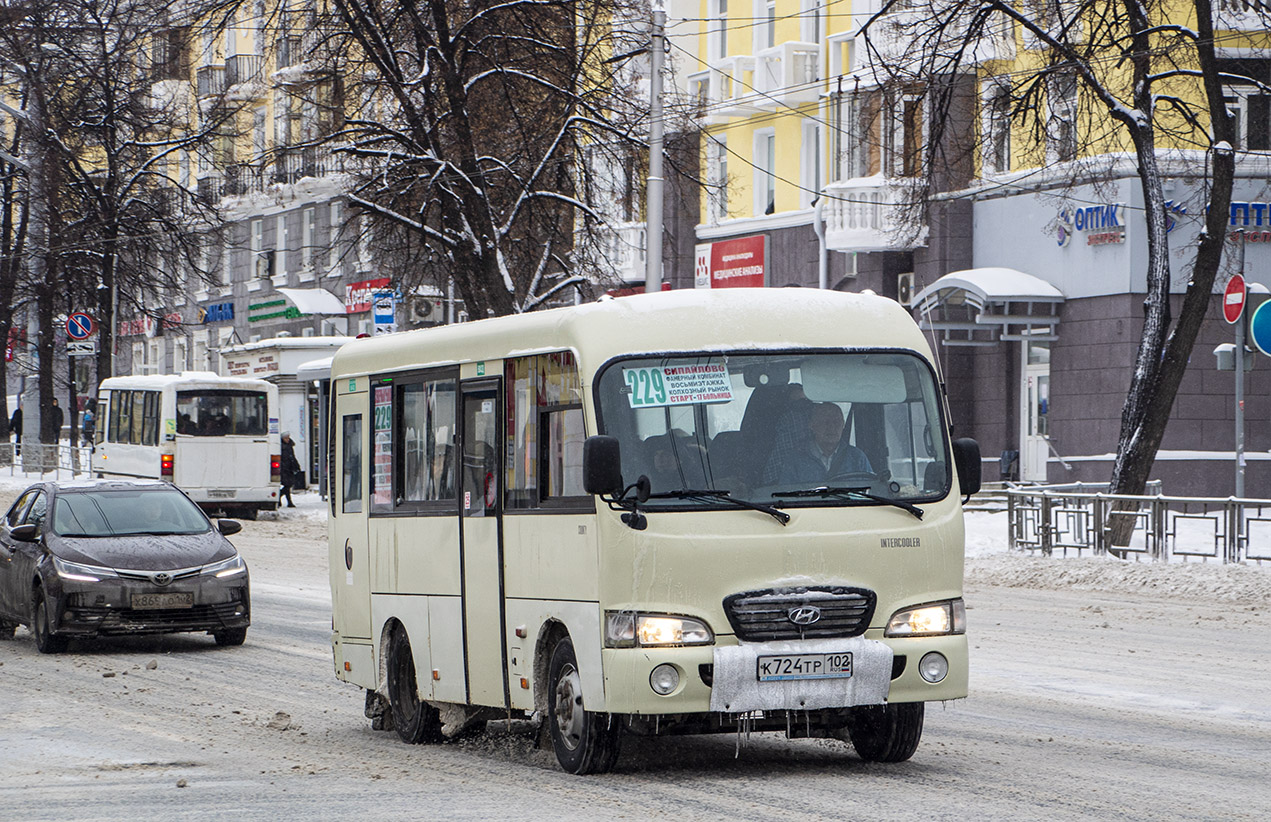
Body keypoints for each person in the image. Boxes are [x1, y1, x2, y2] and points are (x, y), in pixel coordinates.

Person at [762, 402, 872, 487]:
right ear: (812, 425)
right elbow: (785, 496)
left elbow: (871, 492)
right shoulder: (795, 460)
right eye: (825, 422)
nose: (831, 428)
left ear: (843, 425)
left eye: (836, 422)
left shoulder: (857, 458)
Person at [280, 432, 302, 508]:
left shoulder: (289, 447)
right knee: (288, 485)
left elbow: (292, 457)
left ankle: (281, 498)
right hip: (284, 469)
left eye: (288, 438)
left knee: (288, 485)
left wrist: (296, 466)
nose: (288, 439)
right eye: (286, 438)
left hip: (290, 468)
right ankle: (288, 501)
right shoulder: (281, 447)